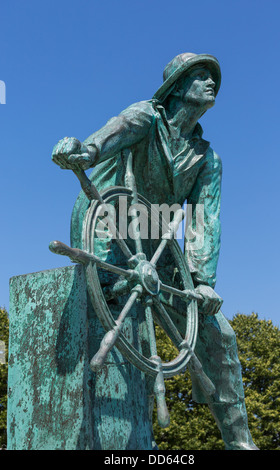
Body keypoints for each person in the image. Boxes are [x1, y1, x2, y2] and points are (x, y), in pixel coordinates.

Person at [52, 52, 258, 450]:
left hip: (157, 248)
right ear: (178, 86)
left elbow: (203, 220)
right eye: (200, 75)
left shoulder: (207, 160)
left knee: (220, 336)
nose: (211, 82)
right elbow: (110, 135)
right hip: (108, 226)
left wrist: (201, 283)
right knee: (109, 306)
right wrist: (84, 152)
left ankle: (240, 443)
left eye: (212, 77)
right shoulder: (146, 116)